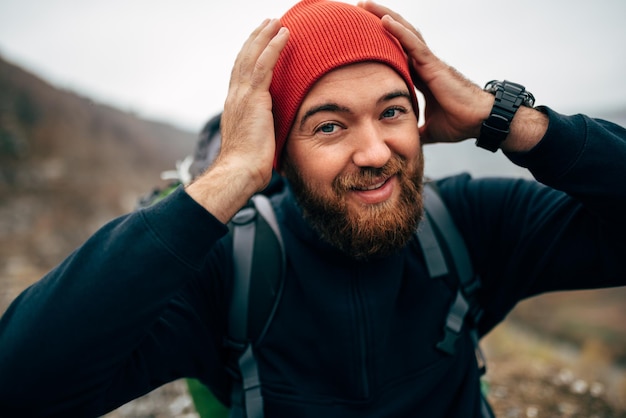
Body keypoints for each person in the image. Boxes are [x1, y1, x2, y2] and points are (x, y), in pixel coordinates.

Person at [0, 0, 625, 417]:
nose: (376, 151)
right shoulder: (230, 271)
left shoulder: (471, 225)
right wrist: (230, 177)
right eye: (329, 126)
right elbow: (23, 382)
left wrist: (504, 118)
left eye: (392, 111)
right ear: (280, 151)